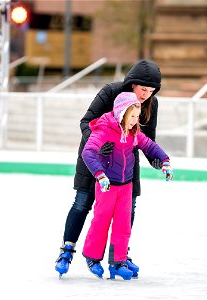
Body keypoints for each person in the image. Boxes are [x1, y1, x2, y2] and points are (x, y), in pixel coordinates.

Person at [55, 59, 163, 278]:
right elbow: (86, 122)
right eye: (143, 89)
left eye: (151, 91)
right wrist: (99, 144)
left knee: (127, 209)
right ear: (133, 83)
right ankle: (67, 250)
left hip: (124, 164)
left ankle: (120, 255)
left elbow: (146, 139)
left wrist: (157, 160)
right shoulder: (111, 91)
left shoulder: (151, 104)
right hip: (95, 157)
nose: (146, 95)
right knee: (83, 202)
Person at [81, 92, 173, 280]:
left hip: (126, 185)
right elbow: (88, 152)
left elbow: (149, 145)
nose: (135, 120)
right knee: (101, 221)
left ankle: (118, 262)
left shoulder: (134, 133)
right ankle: (92, 257)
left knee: (123, 225)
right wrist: (100, 174)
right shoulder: (104, 129)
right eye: (132, 116)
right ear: (122, 114)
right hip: (107, 185)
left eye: (137, 117)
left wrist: (164, 160)